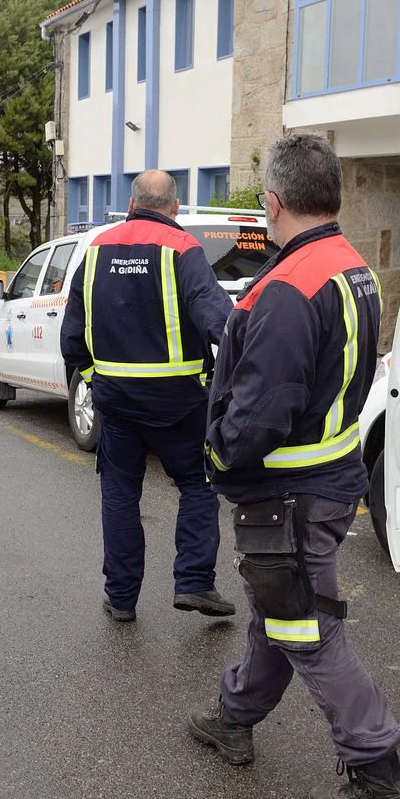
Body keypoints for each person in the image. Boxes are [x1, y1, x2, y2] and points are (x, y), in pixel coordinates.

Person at [187, 134, 400, 799]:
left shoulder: (286, 286)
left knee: (305, 624)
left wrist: (218, 456)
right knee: (279, 613)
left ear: (273, 202)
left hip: (285, 493)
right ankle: (234, 712)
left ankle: (378, 776)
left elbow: (261, 412)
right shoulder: (350, 265)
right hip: (327, 478)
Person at [60, 170, 236, 623]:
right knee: (197, 486)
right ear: (174, 207)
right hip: (179, 401)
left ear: (132, 203)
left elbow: (72, 336)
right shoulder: (183, 249)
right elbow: (218, 319)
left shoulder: (95, 250)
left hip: (116, 401)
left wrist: (97, 377)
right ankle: (195, 582)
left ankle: (121, 599)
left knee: (120, 495)